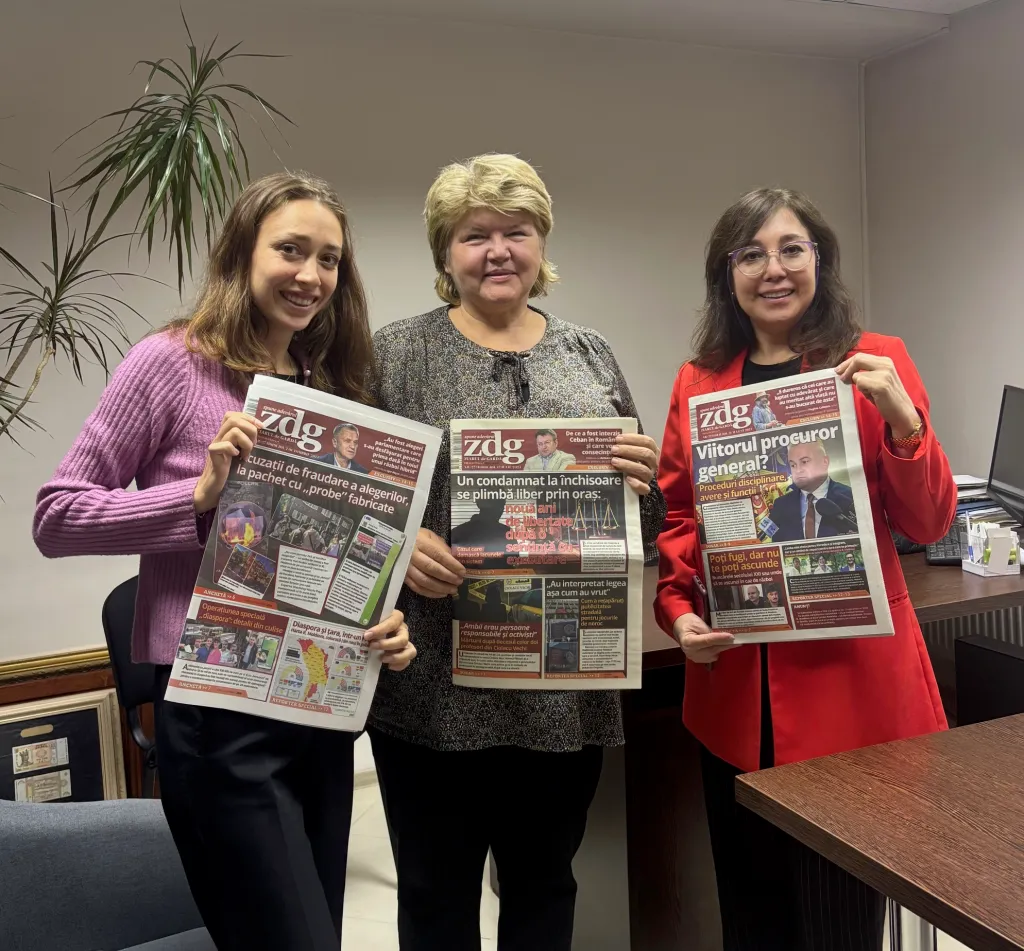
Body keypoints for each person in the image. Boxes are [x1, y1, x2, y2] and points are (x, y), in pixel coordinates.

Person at [33, 171, 417, 951]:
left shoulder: (327, 386)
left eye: (330, 259)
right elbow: (57, 516)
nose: (311, 275)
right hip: (218, 710)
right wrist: (198, 498)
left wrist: (383, 618)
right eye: (291, 250)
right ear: (242, 252)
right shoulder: (170, 362)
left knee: (318, 930)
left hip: (317, 704)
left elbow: (334, 552)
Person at [368, 153, 666, 951]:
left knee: (544, 885)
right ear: (446, 251)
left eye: (517, 231)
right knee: (434, 896)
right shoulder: (393, 354)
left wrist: (643, 480)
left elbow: (647, 521)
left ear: (542, 243)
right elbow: (349, 497)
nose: (498, 250)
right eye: (475, 235)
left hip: (561, 691)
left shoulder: (590, 354)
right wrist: (402, 543)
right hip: (430, 686)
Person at [655, 187, 956, 951]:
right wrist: (678, 610)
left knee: (839, 923)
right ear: (726, 275)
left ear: (819, 259)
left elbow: (928, 523)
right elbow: (680, 515)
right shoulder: (698, 381)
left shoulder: (876, 360)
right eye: (751, 254)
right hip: (736, 695)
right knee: (752, 917)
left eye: (792, 248)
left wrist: (905, 421)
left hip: (852, 694)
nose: (774, 269)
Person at [768, 440, 857, 540]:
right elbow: (768, 539)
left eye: (804, 462)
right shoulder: (780, 505)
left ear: (824, 462)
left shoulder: (851, 497)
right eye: (793, 465)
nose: (798, 470)